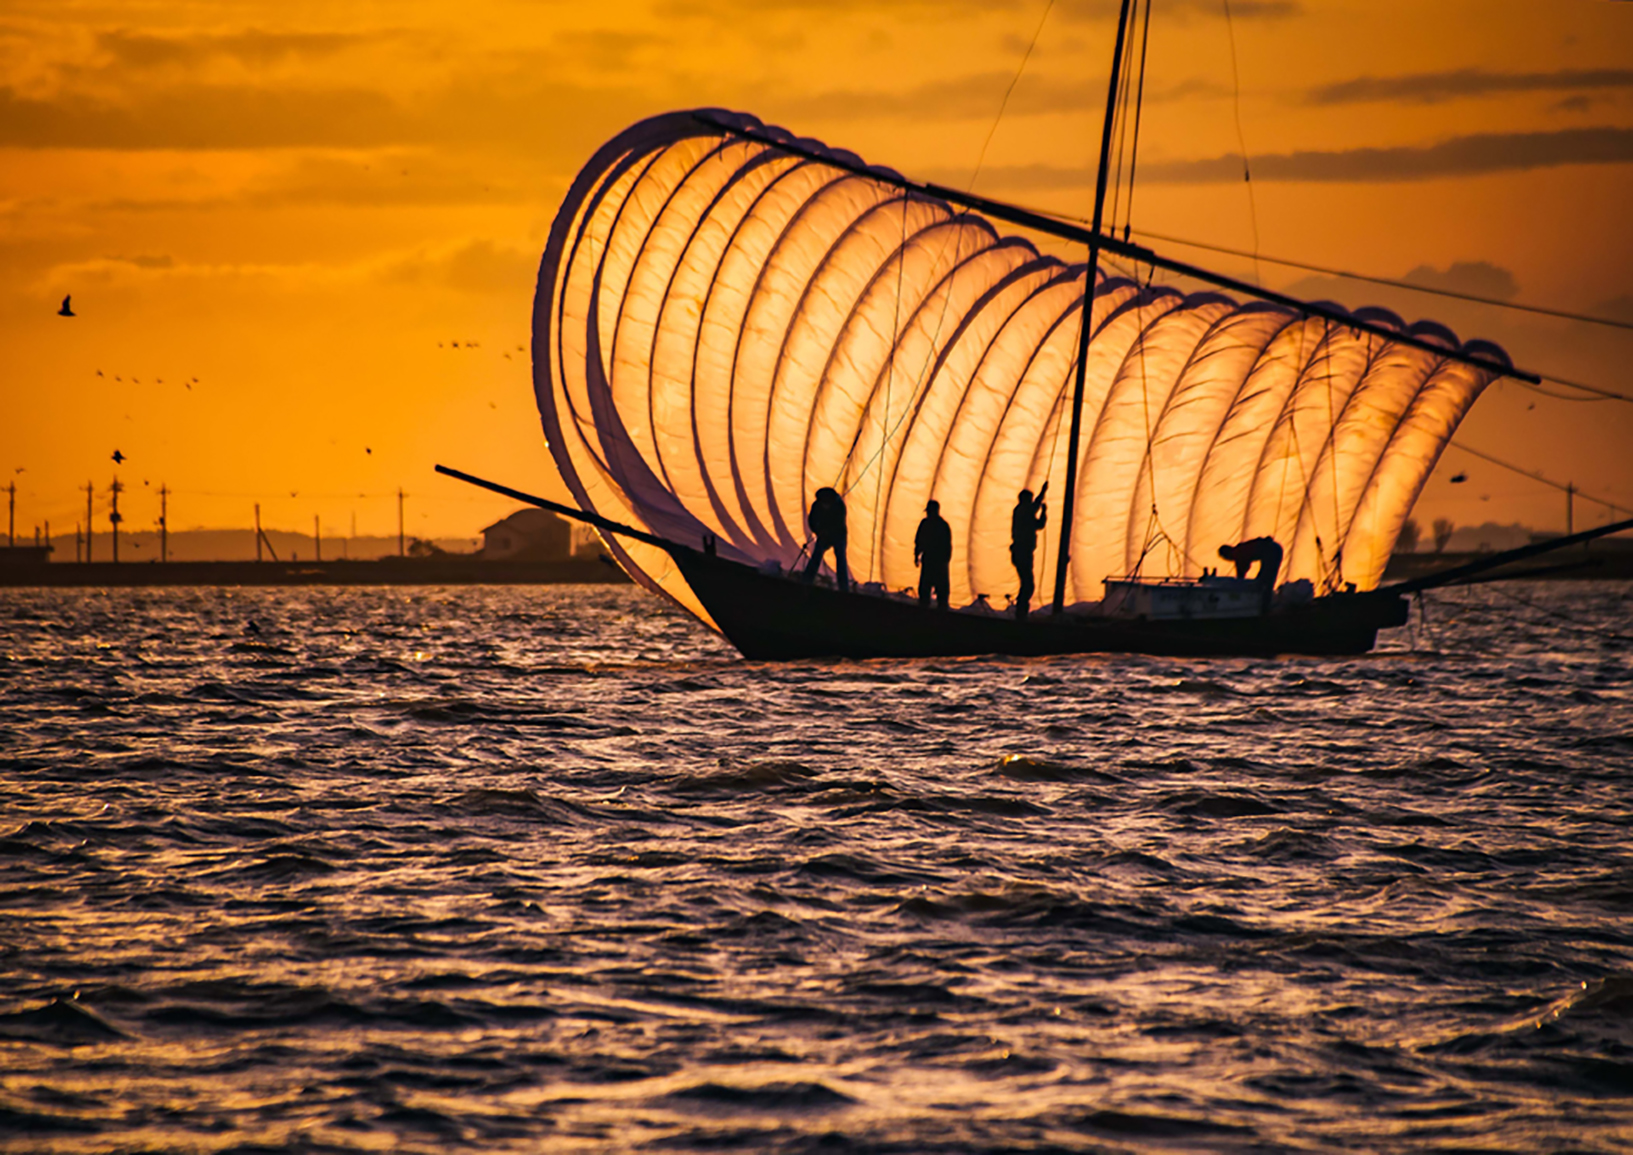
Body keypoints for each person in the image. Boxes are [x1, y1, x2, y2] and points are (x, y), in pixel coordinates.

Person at [1009, 484, 1047, 619]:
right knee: (1028, 584)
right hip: (1022, 551)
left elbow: (1038, 523)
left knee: (1027, 583)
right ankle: (1021, 612)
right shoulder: (1024, 511)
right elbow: (1038, 523)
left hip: (1021, 551)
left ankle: (1021, 611)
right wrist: (1043, 494)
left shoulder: (1020, 511)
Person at [801, 486, 849, 592]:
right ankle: (807, 581)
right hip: (823, 535)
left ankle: (844, 587)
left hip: (838, 536)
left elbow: (838, 523)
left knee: (841, 560)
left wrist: (826, 532)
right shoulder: (817, 505)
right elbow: (812, 520)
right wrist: (818, 531)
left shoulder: (839, 506)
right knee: (816, 557)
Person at [1218, 536, 1284, 611]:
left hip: (1272, 550)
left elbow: (1241, 573)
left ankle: (1264, 607)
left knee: (1266, 581)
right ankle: (1264, 605)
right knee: (1265, 579)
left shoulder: (1237, 553)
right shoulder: (1240, 549)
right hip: (1273, 548)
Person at [914, 499, 952, 610]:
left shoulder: (926, 524)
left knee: (927, 590)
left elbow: (919, 541)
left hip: (932, 561)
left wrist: (917, 556)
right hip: (938, 562)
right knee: (940, 592)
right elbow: (948, 546)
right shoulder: (943, 526)